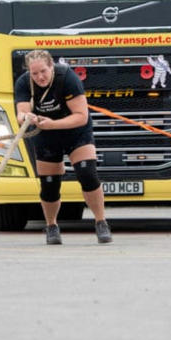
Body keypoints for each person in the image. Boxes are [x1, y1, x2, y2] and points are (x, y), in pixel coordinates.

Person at [14, 50, 112, 245]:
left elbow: (81, 116)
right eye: (35, 73)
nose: (40, 77)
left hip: (75, 131)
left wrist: (53, 124)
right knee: (49, 185)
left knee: (88, 174)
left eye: (43, 71)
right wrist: (28, 118)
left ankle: (101, 222)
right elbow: (21, 113)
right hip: (45, 134)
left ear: (51, 66)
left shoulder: (67, 78)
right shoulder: (24, 83)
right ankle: (51, 226)